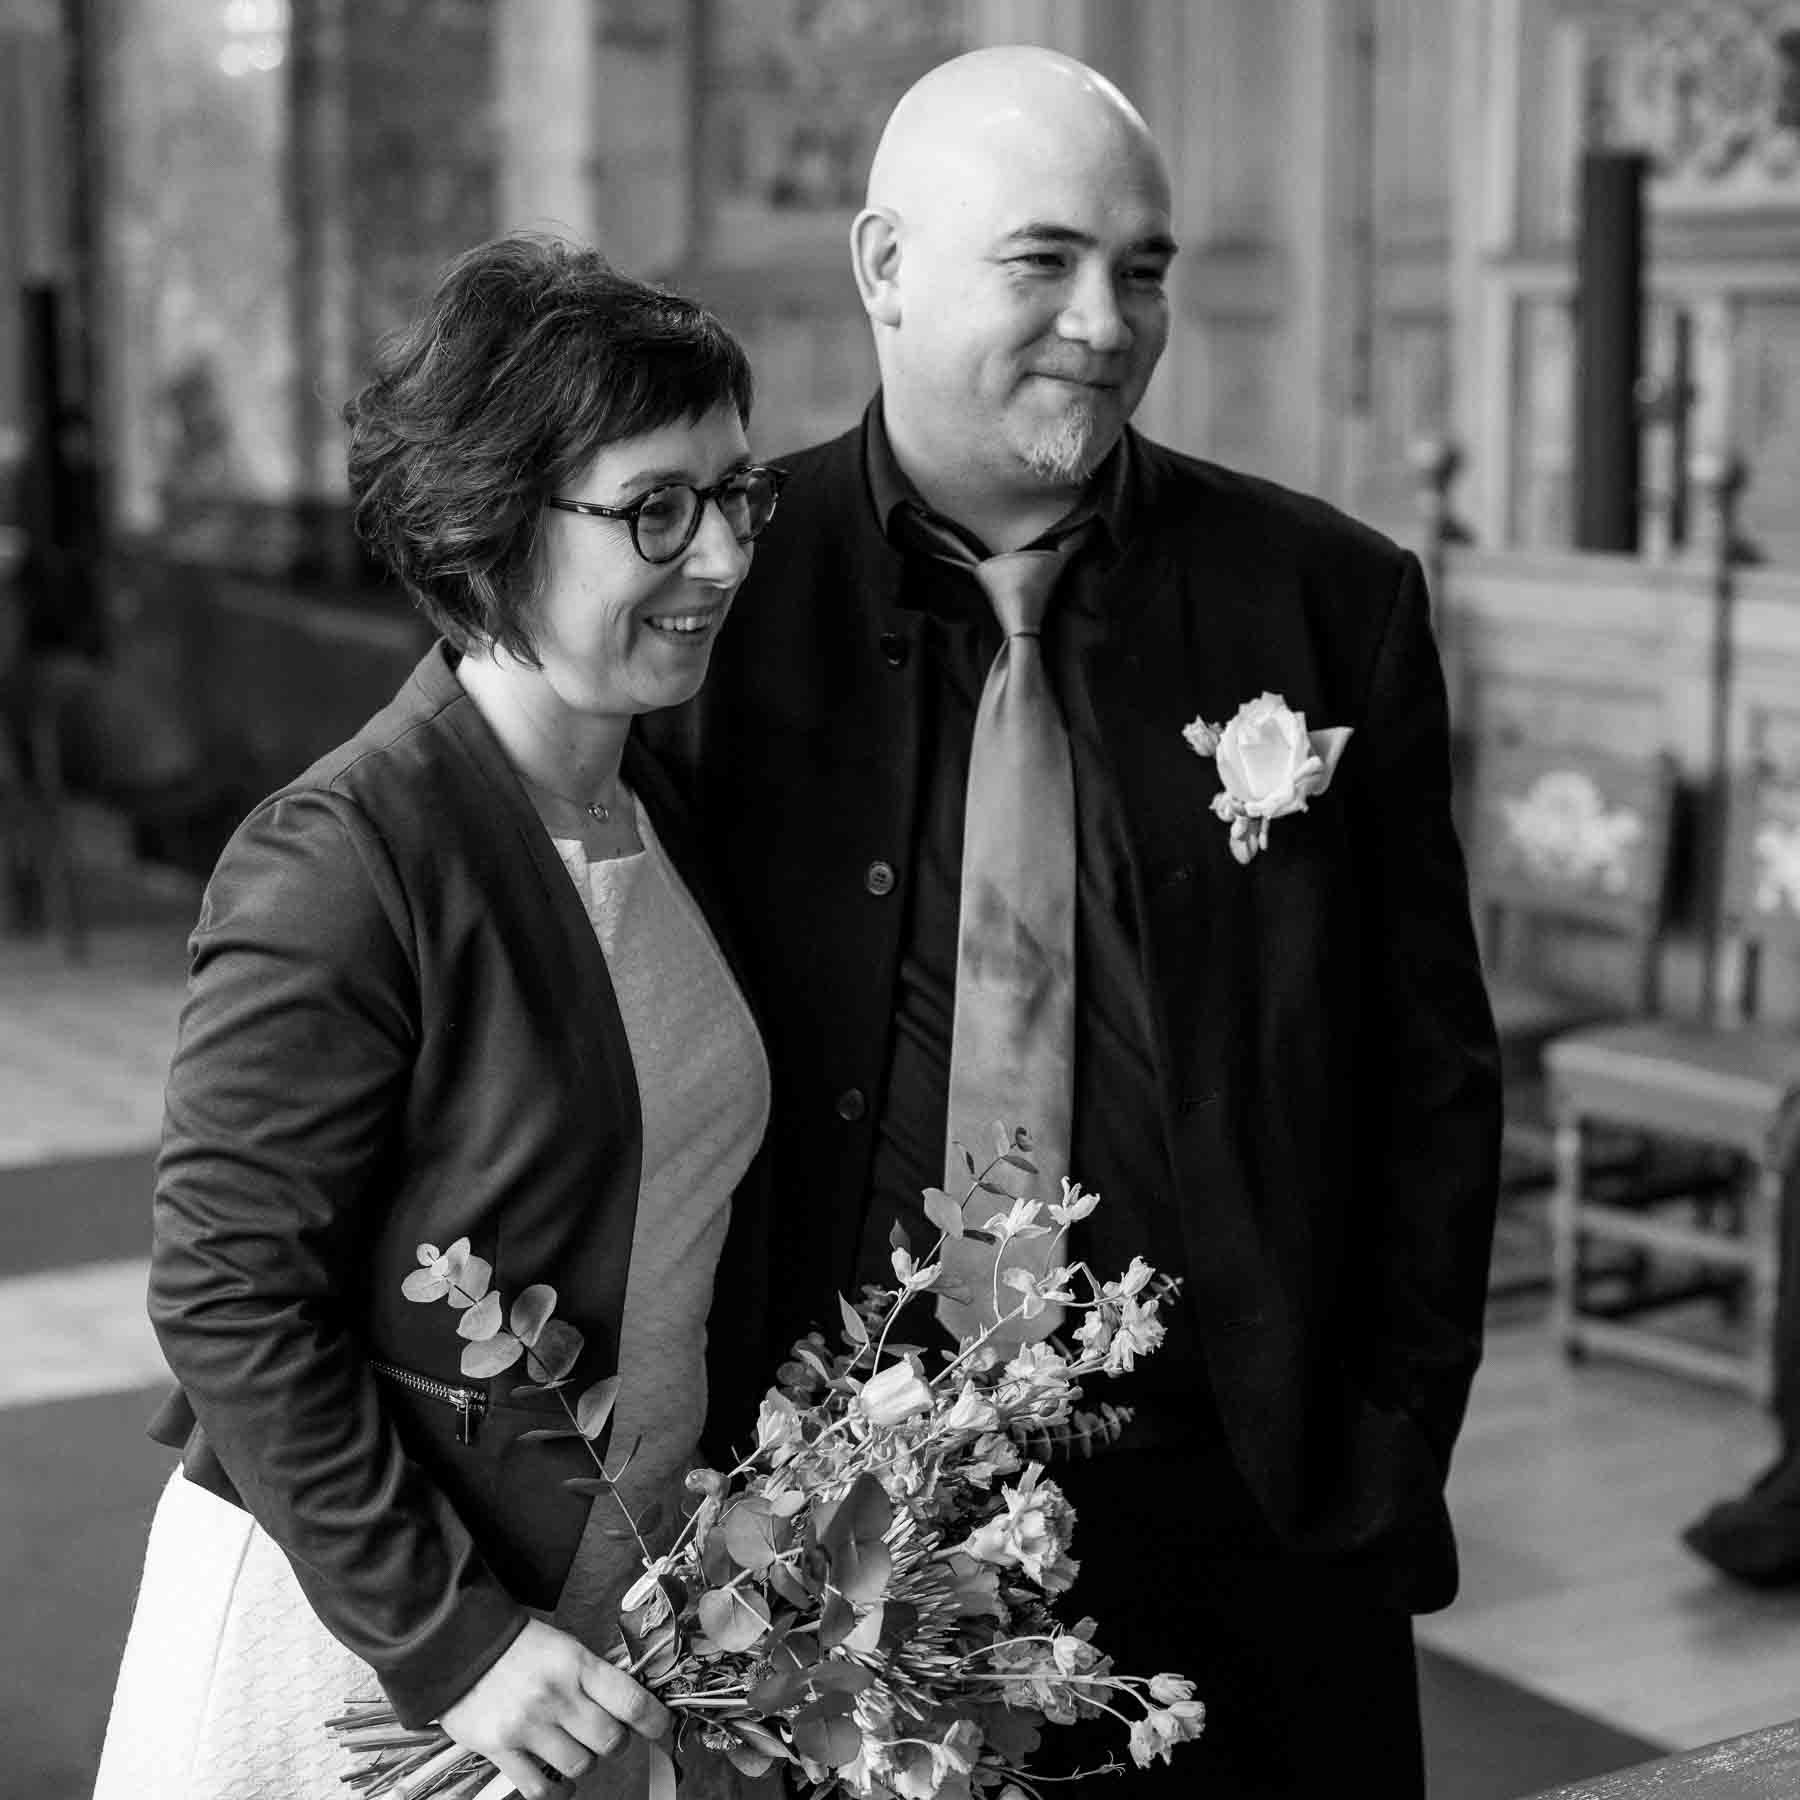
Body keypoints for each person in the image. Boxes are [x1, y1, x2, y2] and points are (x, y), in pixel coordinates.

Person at [643, 45, 1502, 1800]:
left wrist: (1386, 1448)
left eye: (1147, 268)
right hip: (822, 1504)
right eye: (1043, 263)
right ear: (885, 269)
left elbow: (1433, 1079)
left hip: (1247, 1495)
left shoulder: (1331, 601)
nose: (1108, 323)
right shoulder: (708, 596)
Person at [93, 235, 786, 1800]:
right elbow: (224, 1299)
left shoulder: (654, 803)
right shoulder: (343, 854)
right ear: (490, 528)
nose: (727, 556)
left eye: (737, 495)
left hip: (601, 1614)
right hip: (369, 1638)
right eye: (656, 510)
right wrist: (451, 1640)